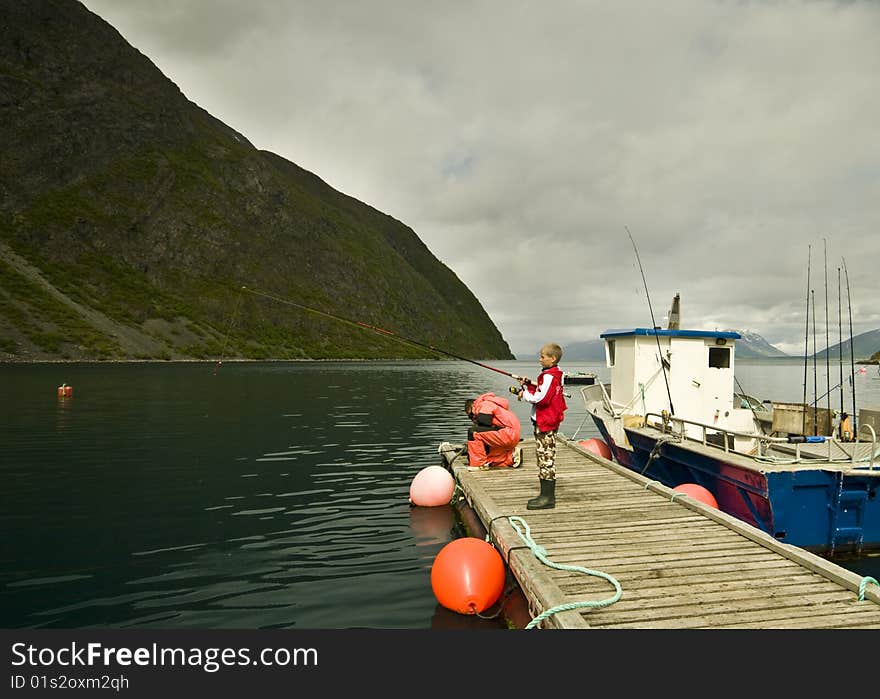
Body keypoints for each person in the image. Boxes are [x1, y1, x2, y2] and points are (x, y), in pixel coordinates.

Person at [517, 343, 567, 509]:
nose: (540, 359)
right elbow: (545, 391)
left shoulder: (548, 376)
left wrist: (524, 394)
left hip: (545, 422)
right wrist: (529, 384)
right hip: (551, 420)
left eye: (543, 357)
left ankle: (547, 498)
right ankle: (545, 495)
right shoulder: (555, 374)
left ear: (552, 359)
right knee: (546, 455)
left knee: (545, 457)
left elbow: (541, 399)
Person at [464, 392, 522, 470]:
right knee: (489, 457)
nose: (472, 417)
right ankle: (512, 457)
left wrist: (476, 422)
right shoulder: (493, 405)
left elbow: (485, 421)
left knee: (473, 432)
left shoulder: (484, 404)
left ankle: (479, 465)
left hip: (508, 433)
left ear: (473, 406)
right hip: (511, 435)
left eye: (471, 414)